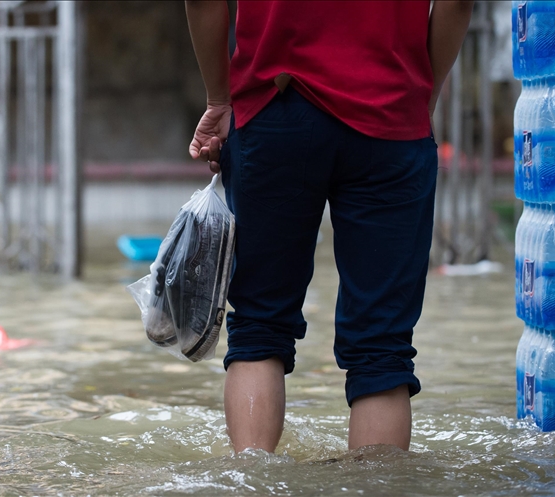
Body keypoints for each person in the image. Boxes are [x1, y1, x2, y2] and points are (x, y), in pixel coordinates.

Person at [185, 0, 474, 453]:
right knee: (382, 349)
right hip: (392, 121)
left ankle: (251, 481)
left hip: (276, 112)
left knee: (260, 326)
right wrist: (425, 95)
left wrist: (220, 99)